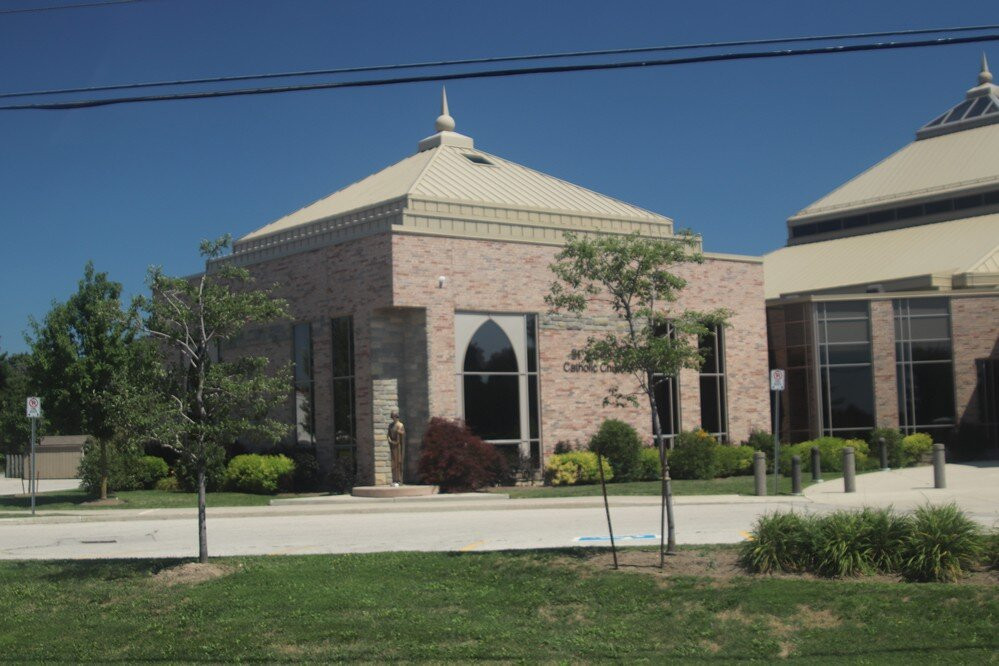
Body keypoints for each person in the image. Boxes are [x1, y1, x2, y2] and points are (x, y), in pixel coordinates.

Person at [387, 411, 406, 486]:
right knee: (393, 463)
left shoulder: (400, 425)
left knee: (399, 462)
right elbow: (388, 434)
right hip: (393, 445)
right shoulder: (391, 425)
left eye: (394, 417)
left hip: (398, 446)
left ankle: (399, 480)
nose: (393, 418)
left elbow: (403, 434)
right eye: (392, 417)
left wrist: (400, 432)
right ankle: (394, 479)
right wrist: (389, 439)